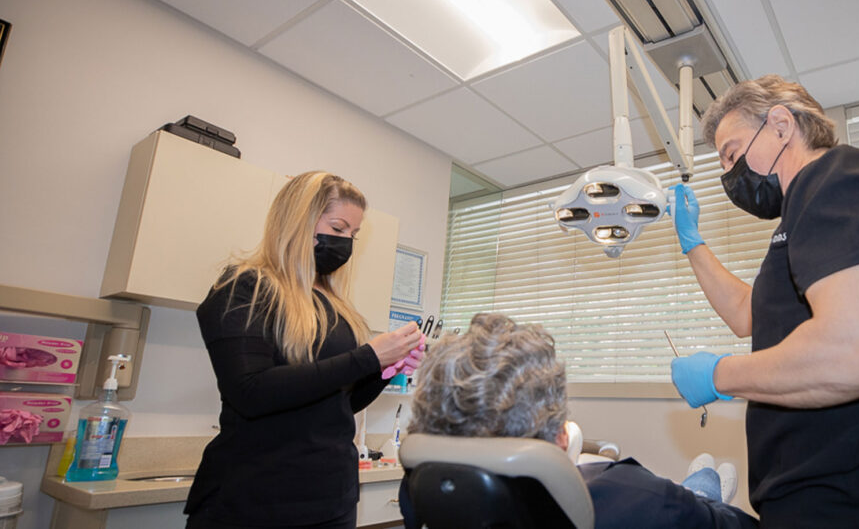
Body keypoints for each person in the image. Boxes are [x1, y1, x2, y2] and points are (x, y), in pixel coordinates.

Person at [667, 75, 859, 527]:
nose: (729, 176)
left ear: (779, 125)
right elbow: (747, 314)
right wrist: (692, 243)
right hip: (824, 501)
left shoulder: (840, 181)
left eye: (732, 154)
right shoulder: (801, 219)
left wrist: (719, 375)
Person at [185, 171, 425, 529]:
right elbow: (250, 392)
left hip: (331, 497)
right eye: (339, 227)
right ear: (298, 221)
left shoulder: (333, 305)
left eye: (353, 235)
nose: (346, 242)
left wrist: (383, 370)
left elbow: (338, 404)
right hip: (256, 498)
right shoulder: (243, 289)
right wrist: (367, 357)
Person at [401, 313, 758, 529]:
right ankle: (704, 487)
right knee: (702, 491)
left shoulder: (422, 488)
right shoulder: (633, 494)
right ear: (558, 434)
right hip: (681, 513)